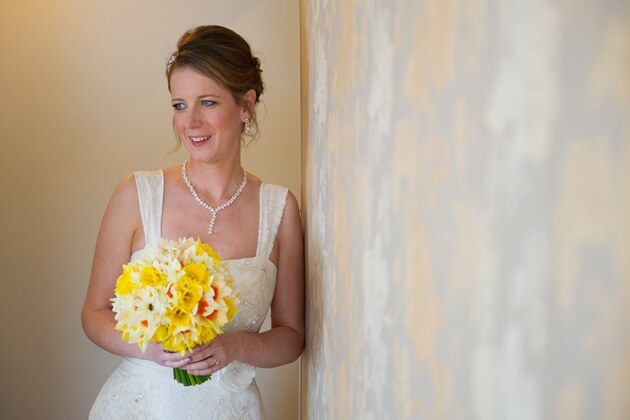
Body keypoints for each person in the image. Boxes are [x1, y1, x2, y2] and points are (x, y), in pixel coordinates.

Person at [81, 25, 304, 419]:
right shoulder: (136, 194)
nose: (190, 122)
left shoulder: (280, 209)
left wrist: (233, 347)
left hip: (231, 407)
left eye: (207, 102)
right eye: (179, 105)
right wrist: (150, 346)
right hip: (141, 406)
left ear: (246, 105)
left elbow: (291, 337)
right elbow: (94, 314)